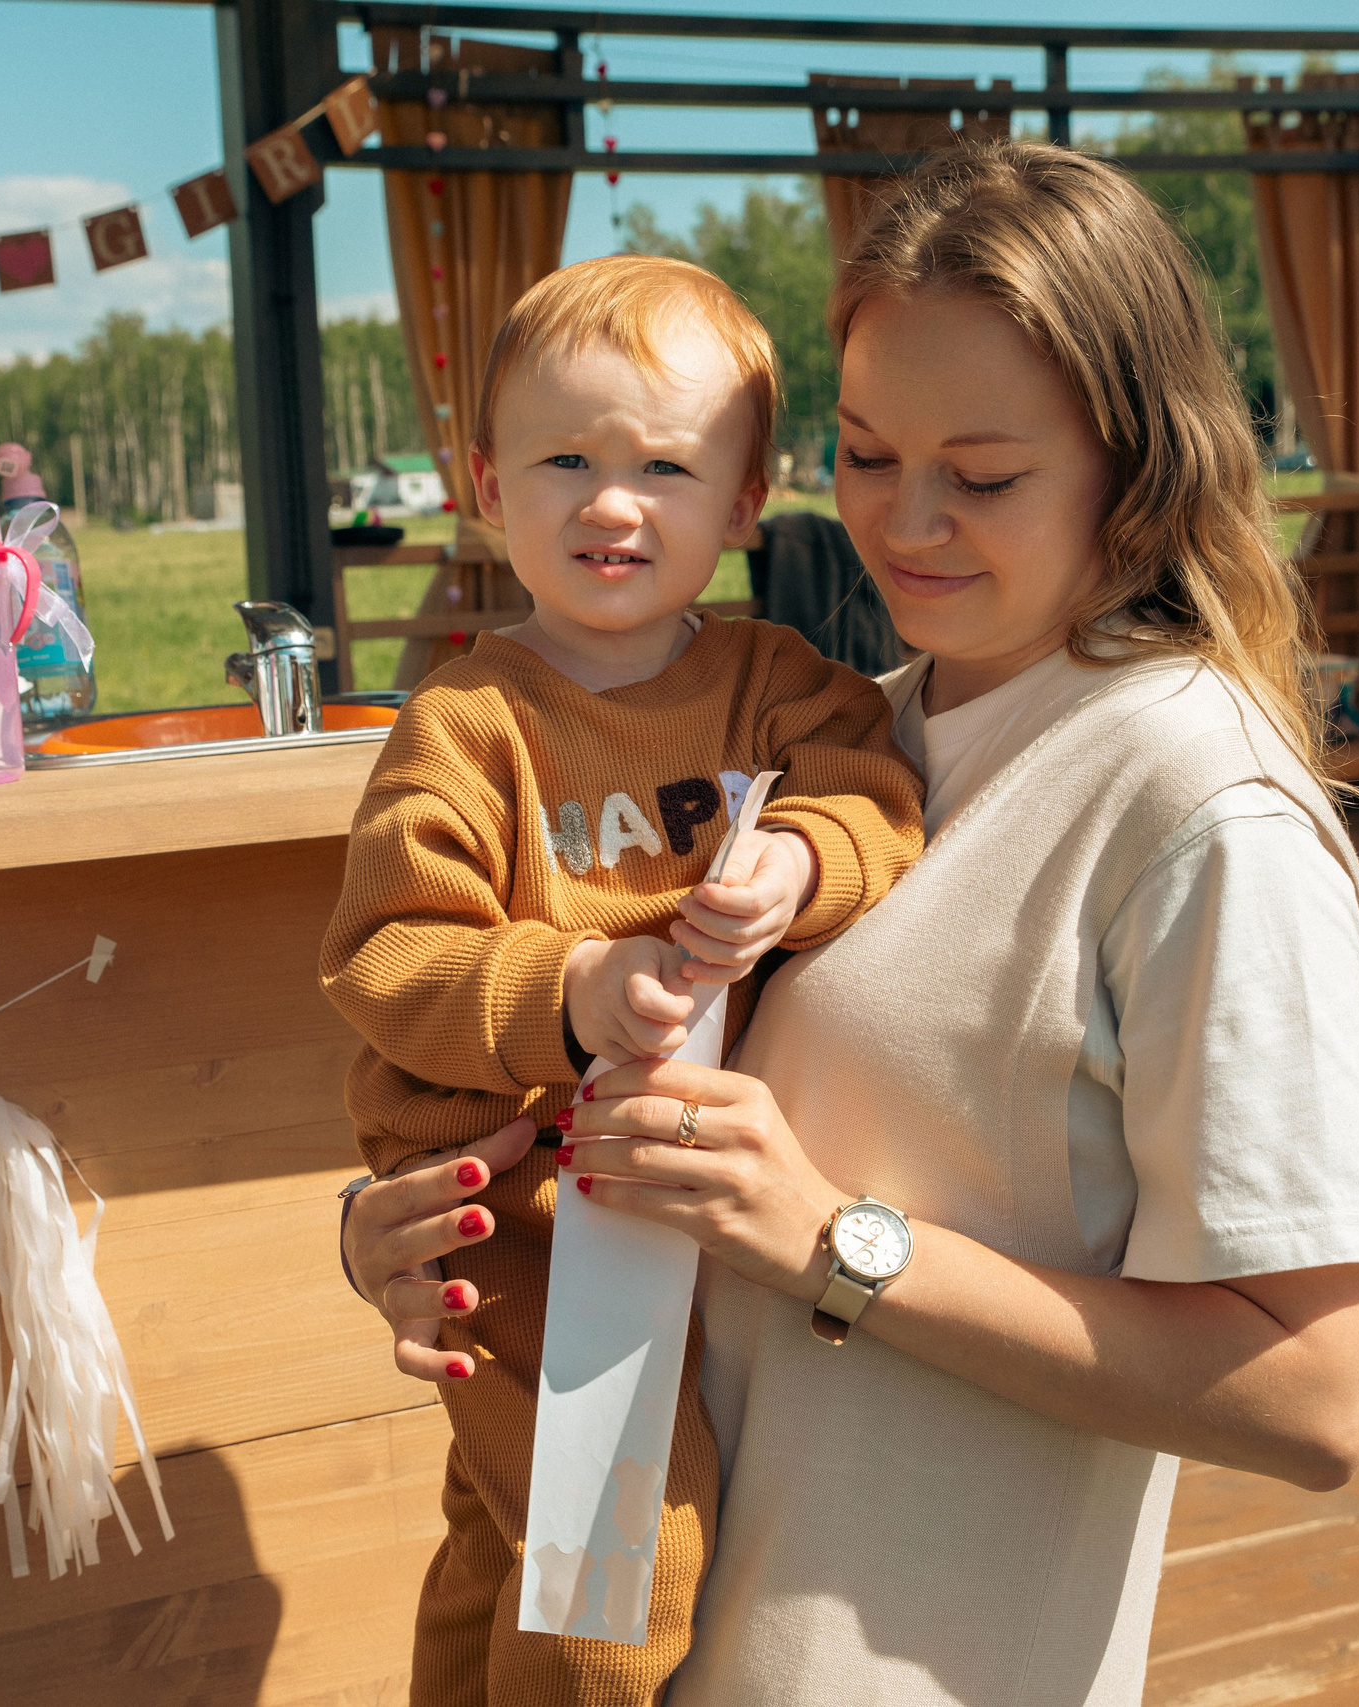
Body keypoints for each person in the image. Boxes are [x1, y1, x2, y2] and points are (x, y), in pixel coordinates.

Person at [341, 142, 1359, 1705]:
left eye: (983, 476)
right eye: (867, 453)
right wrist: (430, 1228)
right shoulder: (839, 733)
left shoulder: (1198, 802)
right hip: (628, 1622)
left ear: (1144, 462)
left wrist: (831, 1241)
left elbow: (1316, 1393)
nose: (906, 524)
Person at [317, 254, 924, 1707]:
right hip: (520, 1206)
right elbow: (387, 953)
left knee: (507, 1540)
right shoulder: (467, 721)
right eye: (565, 458)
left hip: (698, 1204)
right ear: (484, 484)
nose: (612, 500)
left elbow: (876, 797)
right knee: (601, 1569)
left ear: (743, 497)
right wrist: (572, 982)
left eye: (665, 462)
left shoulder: (776, 680)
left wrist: (796, 871)